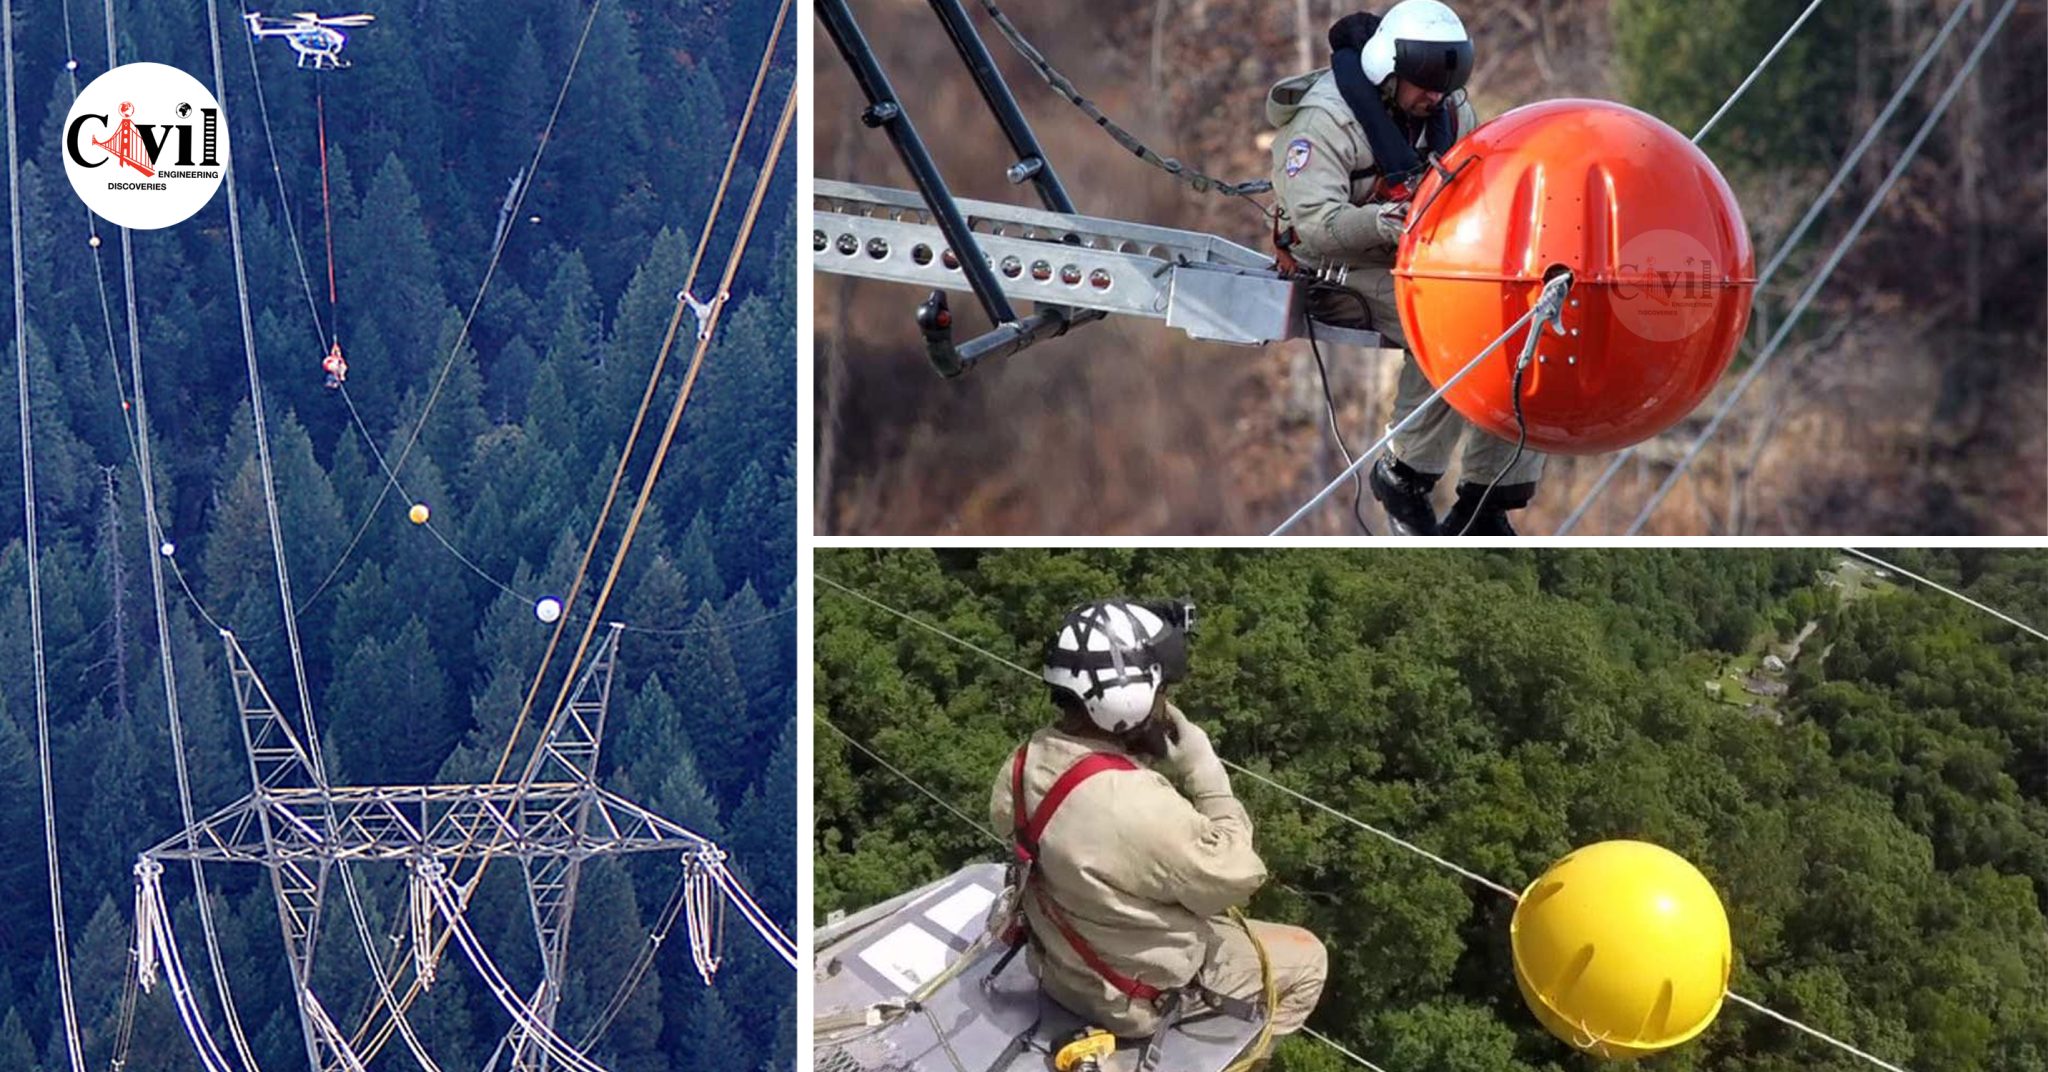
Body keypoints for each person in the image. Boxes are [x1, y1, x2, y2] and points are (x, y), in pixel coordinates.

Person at [988, 600, 1326, 1059]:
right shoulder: (1138, 805)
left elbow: (1088, 835)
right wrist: (1203, 768)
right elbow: (1239, 876)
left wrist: (1134, 751)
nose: (1165, 703)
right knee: (1308, 960)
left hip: (1058, 967)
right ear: (1125, 700)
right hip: (1128, 999)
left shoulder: (1021, 764)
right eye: (1161, 690)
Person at [1267, 0, 1542, 535]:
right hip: (1334, 265)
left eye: (1443, 85)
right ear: (1386, 72)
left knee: (1525, 320)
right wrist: (1388, 222)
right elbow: (1317, 225)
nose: (1433, 97)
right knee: (1459, 325)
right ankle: (1405, 474)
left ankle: (1488, 499)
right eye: (1423, 85)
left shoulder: (1450, 114)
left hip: (1422, 255)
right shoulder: (1325, 121)